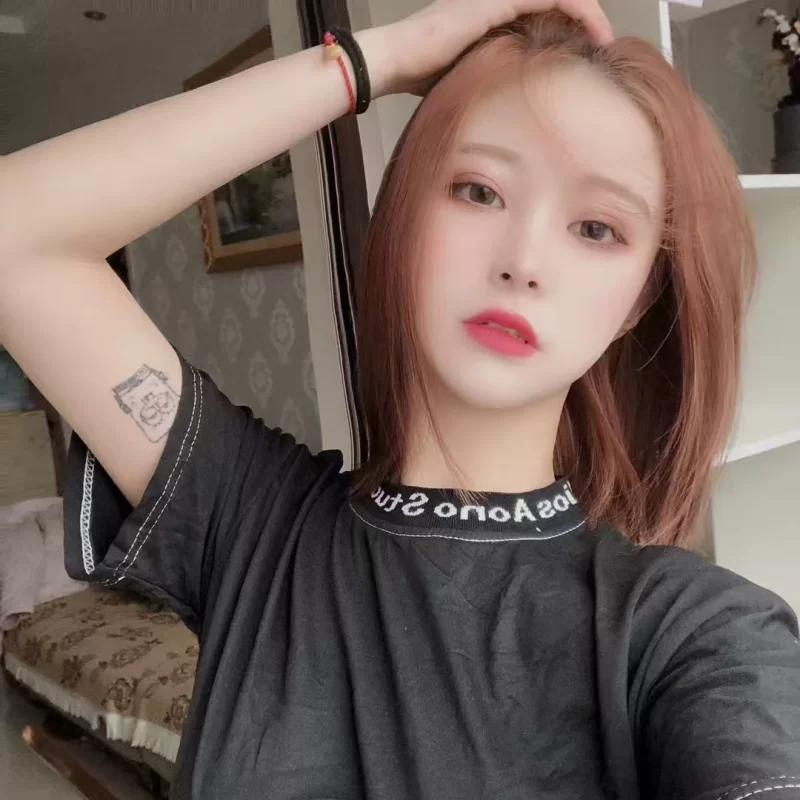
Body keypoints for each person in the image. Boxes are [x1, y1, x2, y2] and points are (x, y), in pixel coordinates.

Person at [0, 0, 798, 798]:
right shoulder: (251, 523)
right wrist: (378, 58)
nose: (522, 261)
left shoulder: (696, 632)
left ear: (637, 302)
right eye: (479, 190)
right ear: (406, 212)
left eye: (596, 229)